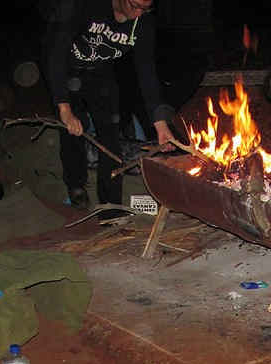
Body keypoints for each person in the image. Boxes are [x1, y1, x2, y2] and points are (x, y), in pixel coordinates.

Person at [44, 0, 175, 209]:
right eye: (135, 5)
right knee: (73, 130)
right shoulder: (84, 6)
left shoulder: (142, 22)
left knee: (111, 137)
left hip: (100, 73)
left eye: (145, 8)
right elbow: (56, 54)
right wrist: (64, 108)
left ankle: (110, 207)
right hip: (67, 69)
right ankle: (76, 185)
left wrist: (160, 124)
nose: (138, 13)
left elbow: (147, 71)